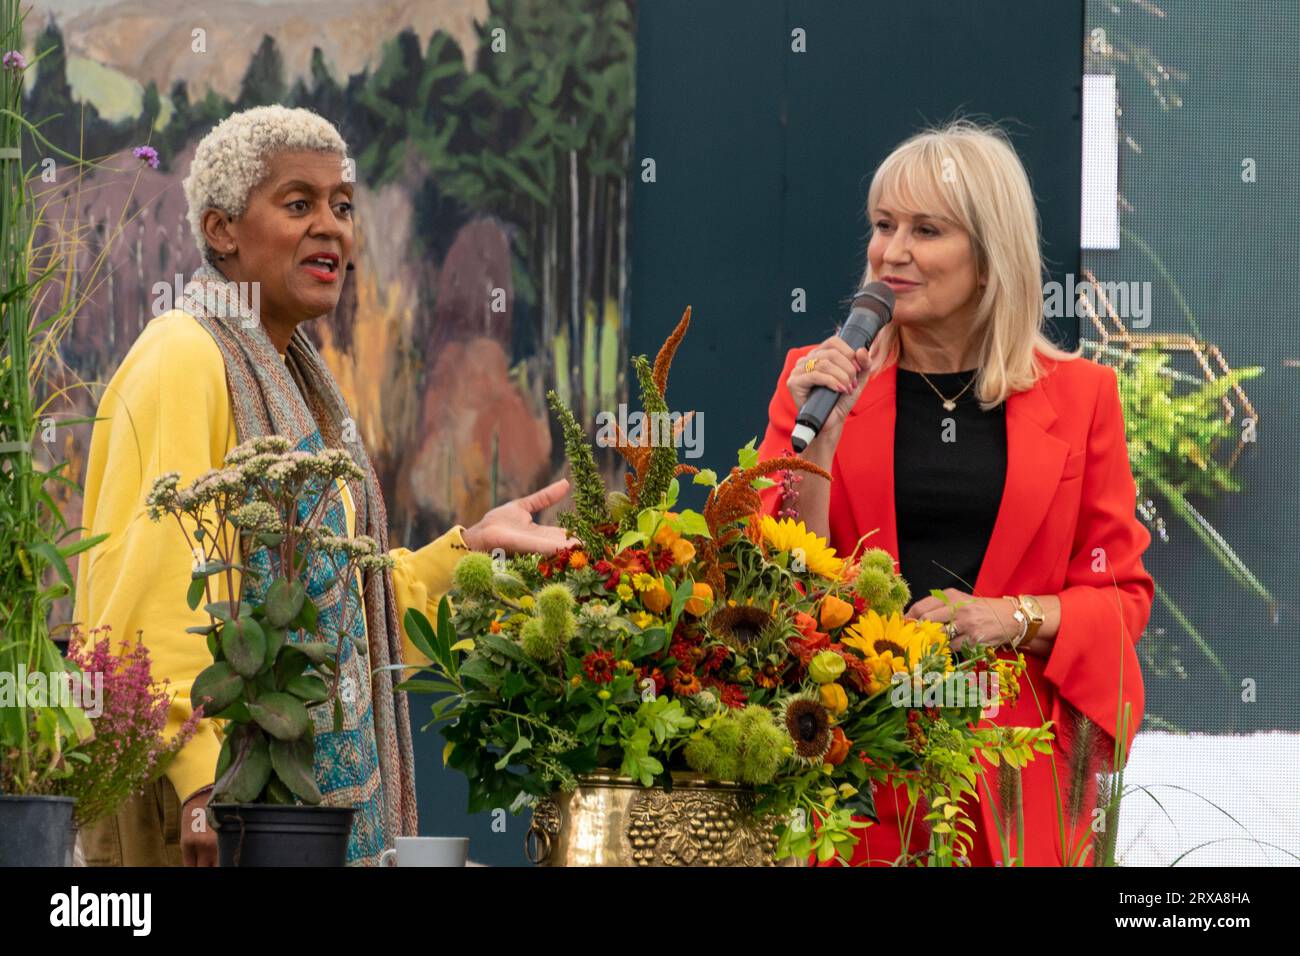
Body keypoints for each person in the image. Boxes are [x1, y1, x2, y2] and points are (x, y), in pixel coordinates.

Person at [74, 105, 576, 866]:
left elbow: (344, 615)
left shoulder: (300, 382)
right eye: (298, 203)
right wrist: (203, 788)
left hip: (278, 819)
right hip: (201, 818)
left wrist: (469, 547)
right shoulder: (183, 354)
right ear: (221, 229)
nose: (333, 228)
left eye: (343, 207)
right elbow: (147, 602)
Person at [757, 119, 1153, 866]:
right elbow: (774, 579)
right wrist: (828, 441)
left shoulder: (1082, 397)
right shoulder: (814, 381)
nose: (891, 252)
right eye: (883, 225)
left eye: (926, 230)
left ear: (988, 257)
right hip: (856, 761)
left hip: (1015, 772)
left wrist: (1014, 617)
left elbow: (1121, 596)